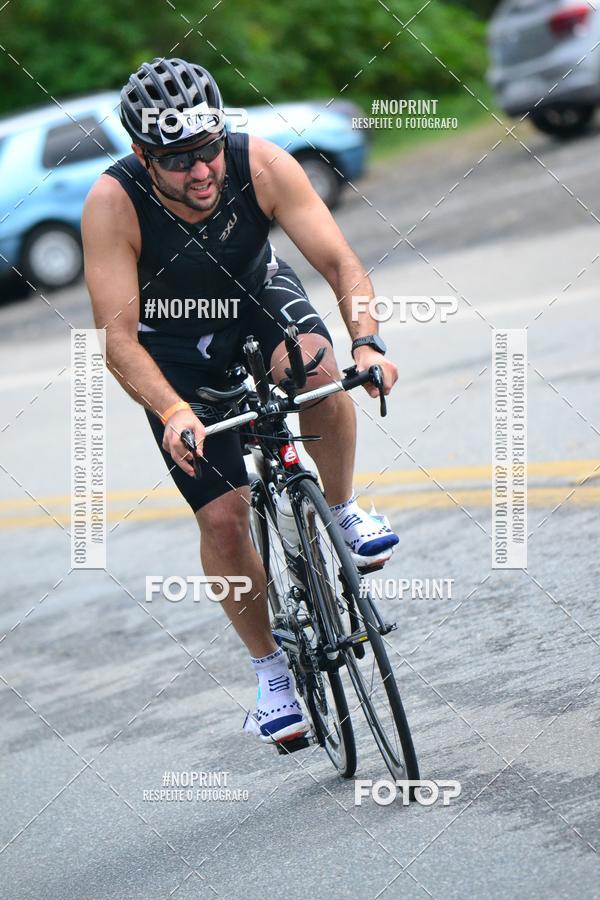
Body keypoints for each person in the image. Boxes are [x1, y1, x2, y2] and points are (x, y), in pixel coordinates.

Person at [82, 57, 399, 745]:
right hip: (173, 350)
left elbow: (340, 263)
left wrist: (367, 343)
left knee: (319, 370)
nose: (201, 171)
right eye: (177, 160)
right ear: (142, 154)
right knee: (224, 519)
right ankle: (271, 672)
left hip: (257, 299)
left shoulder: (261, 163)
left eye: (208, 148)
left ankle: (342, 509)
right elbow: (117, 340)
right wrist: (173, 411)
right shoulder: (112, 203)